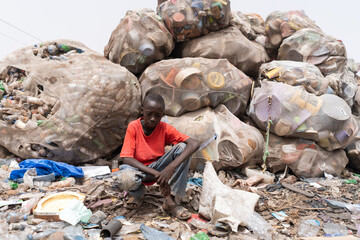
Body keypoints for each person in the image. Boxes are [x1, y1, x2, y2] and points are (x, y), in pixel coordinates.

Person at [119, 93, 199, 220]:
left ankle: (170, 200)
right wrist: (157, 173)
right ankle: (138, 194)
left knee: (182, 148)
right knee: (126, 177)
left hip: (159, 169)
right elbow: (127, 158)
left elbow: (194, 143)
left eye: (158, 115)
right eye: (149, 114)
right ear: (142, 111)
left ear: (163, 114)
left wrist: (170, 167)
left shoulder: (164, 128)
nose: (152, 119)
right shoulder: (134, 126)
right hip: (139, 171)